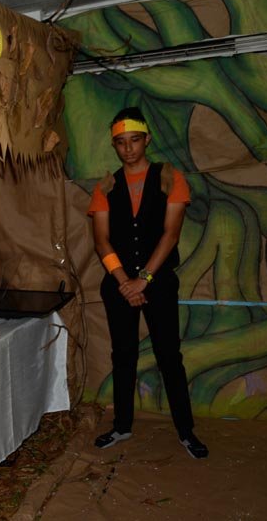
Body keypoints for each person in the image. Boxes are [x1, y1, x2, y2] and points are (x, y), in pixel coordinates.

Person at [87, 106, 208, 459]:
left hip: (158, 281)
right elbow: (101, 241)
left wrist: (144, 280)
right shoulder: (106, 187)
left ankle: (186, 431)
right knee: (123, 355)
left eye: (135, 140)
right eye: (121, 142)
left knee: (169, 355)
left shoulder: (170, 178)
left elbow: (171, 235)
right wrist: (125, 281)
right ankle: (122, 425)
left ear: (147, 140)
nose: (128, 148)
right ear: (114, 145)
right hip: (119, 284)